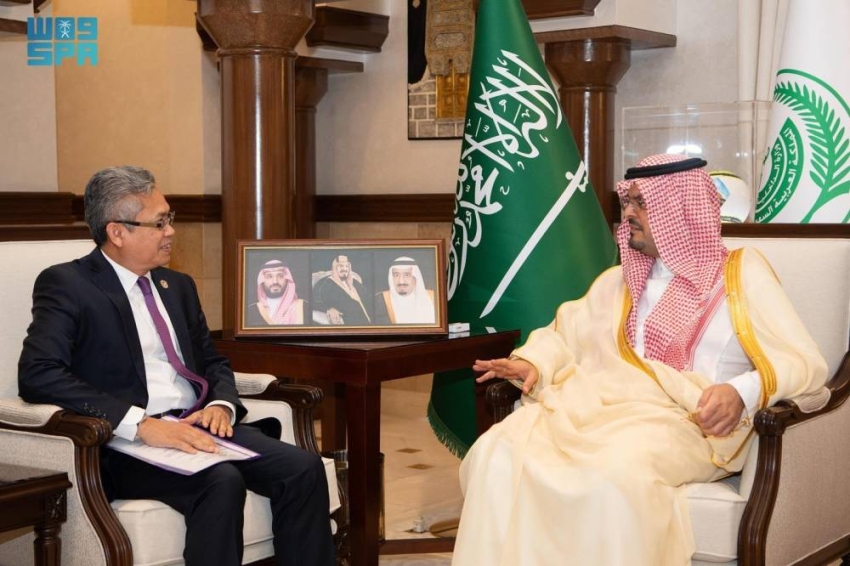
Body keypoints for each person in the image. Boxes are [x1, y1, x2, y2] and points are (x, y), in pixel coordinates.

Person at [452, 154, 828, 566]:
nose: (627, 213)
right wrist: (533, 363)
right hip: (597, 408)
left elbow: (804, 362)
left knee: (611, 475)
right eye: (627, 202)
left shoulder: (740, 275)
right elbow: (566, 335)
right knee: (495, 453)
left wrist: (741, 392)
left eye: (641, 203)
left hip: (687, 422)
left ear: (679, 209)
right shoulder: (619, 280)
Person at [18, 166, 334, 566]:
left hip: (196, 424)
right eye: (159, 223)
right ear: (117, 232)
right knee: (221, 480)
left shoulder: (177, 286)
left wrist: (221, 404)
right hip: (126, 442)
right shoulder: (68, 284)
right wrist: (140, 423)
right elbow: (38, 372)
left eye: (170, 218)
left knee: (303, 468)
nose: (171, 231)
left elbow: (212, 360)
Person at [312, 254, 371, 325]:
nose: (344, 269)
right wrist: (329, 309)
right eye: (341, 266)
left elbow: (368, 298)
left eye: (347, 266)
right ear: (334, 268)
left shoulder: (354, 282)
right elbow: (315, 302)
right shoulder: (327, 284)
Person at [373, 257, 436, 324]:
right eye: (396, 275)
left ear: (416, 277)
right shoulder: (380, 300)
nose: (401, 281)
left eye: (407, 275)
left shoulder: (434, 297)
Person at [246, 259, 307, 326]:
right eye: (269, 277)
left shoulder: (304, 306)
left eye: (280, 276)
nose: (275, 281)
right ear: (262, 280)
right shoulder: (251, 310)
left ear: (287, 279)